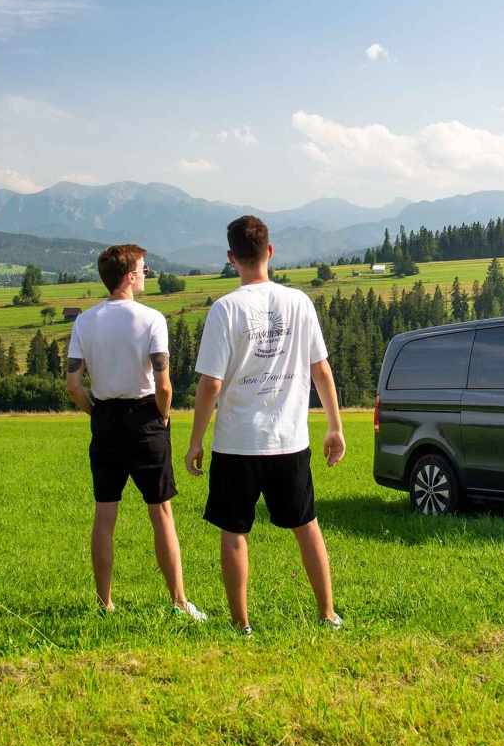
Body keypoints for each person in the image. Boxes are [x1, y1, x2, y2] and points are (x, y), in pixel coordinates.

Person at [184, 215, 346, 634]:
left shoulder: (224, 309)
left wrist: (196, 440)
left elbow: (210, 384)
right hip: (289, 439)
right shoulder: (300, 303)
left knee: (234, 531)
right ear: (269, 252)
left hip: (237, 442)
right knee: (306, 525)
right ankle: (327, 615)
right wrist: (335, 426)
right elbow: (321, 371)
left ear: (231, 258)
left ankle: (241, 624)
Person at [64, 244, 206, 621]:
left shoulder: (84, 321)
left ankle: (104, 604)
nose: (147, 273)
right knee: (161, 512)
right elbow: (164, 385)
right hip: (146, 418)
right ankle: (178, 602)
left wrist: (97, 413)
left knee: (104, 514)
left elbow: (73, 385)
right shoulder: (151, 319)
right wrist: (161, 417)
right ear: (128, 276)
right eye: (143, 268)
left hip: (105, 419)